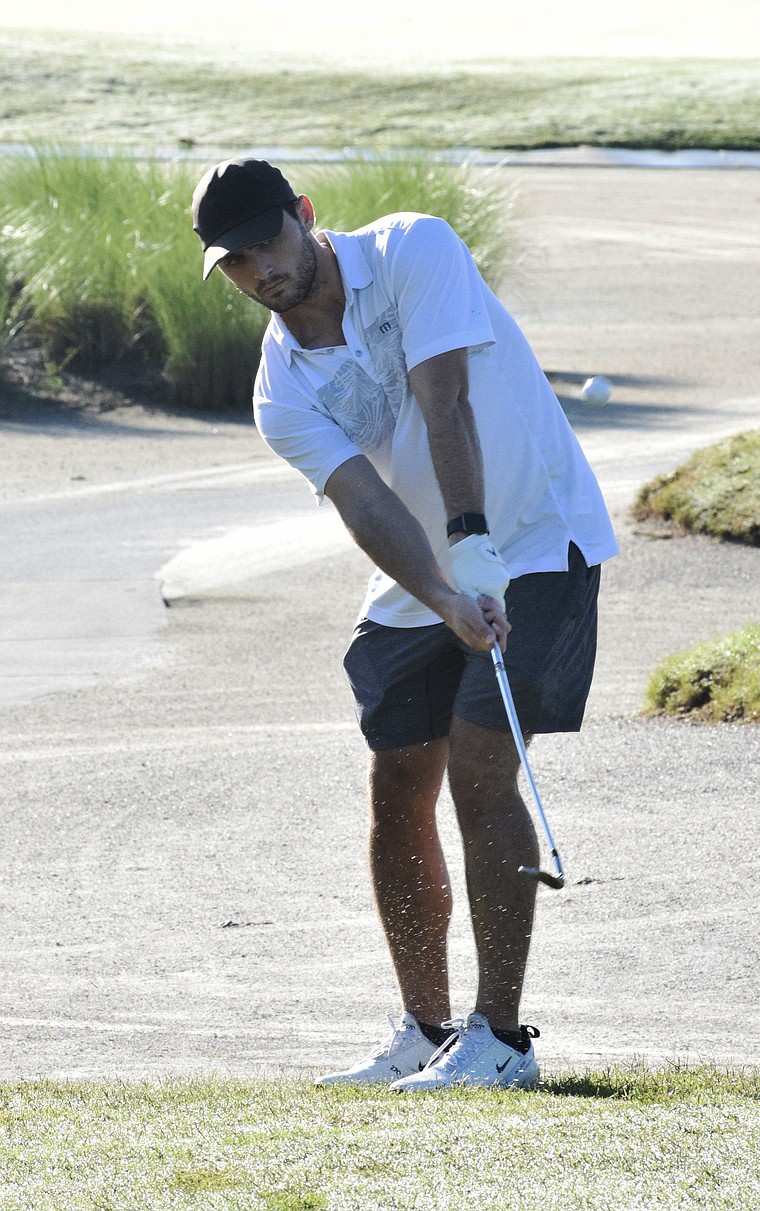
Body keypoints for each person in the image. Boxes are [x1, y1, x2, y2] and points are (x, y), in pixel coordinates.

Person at [191, 156, 618, 1092]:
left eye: (268, 242)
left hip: (538, 535)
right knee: (396, 784)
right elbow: (364, 503)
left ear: (306, 216)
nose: (261, 270)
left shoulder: (413, 246)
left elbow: (446, 397)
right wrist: (440, 591)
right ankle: (425, 1029)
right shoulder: (280, 390)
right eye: (237, 262)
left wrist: (471, 544)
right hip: (421, 570)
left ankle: (500, 1039)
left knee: (477, 757)